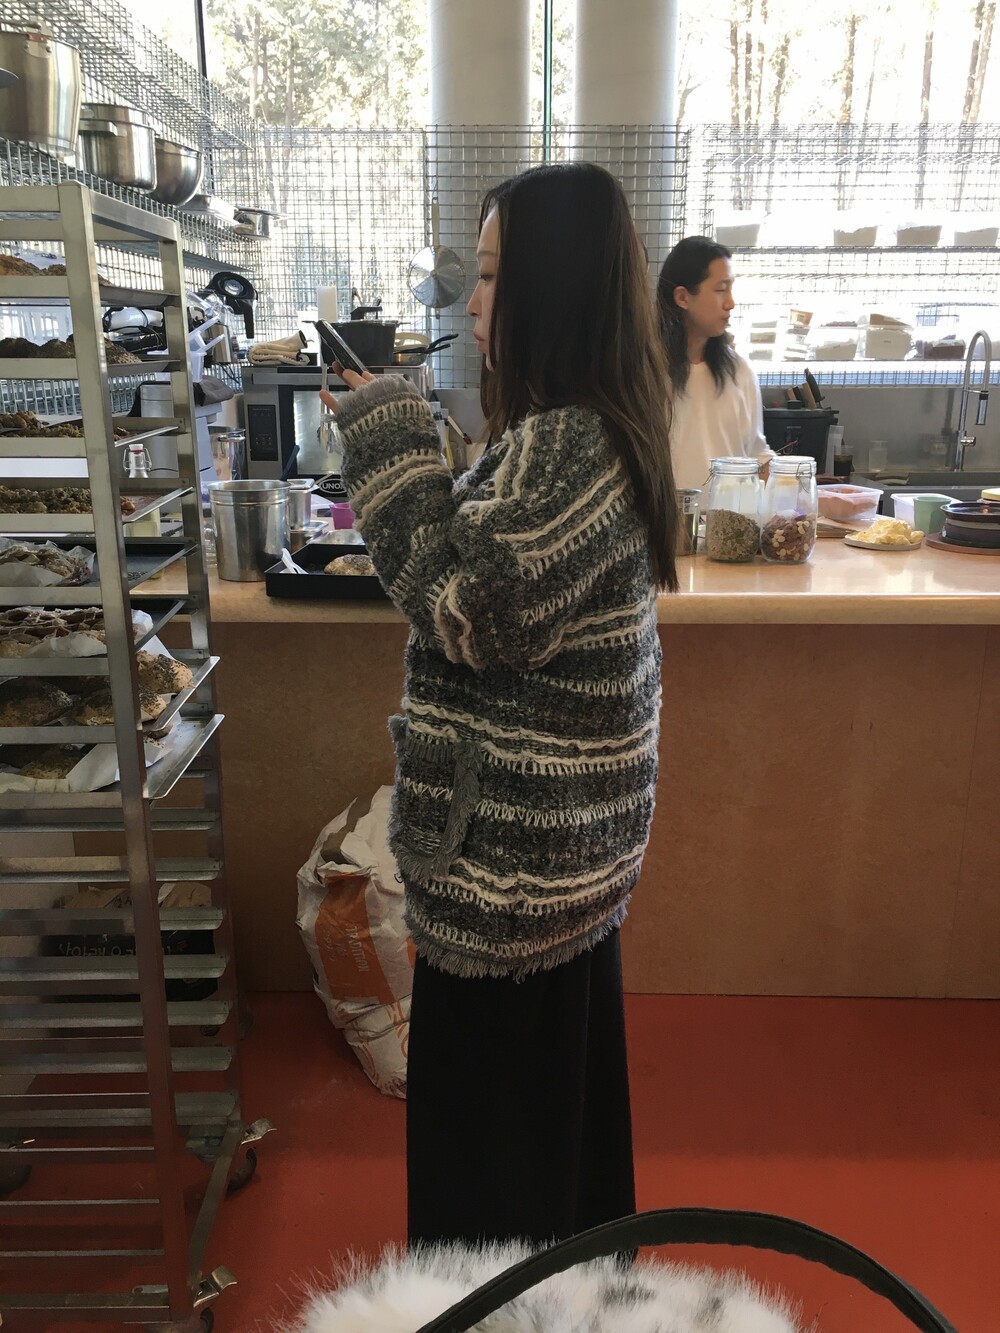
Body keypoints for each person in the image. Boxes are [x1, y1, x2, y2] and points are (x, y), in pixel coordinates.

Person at [320, 161, 677, 1250]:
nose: (471, 303)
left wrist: (387, 440)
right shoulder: (578, 429)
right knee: (555, 1151)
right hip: (547, 868)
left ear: (549, 289)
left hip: (513, 883)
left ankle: (507, 1312)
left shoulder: (568, 441)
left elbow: (469, 611)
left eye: (488, 276)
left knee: (492, 1184)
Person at [657, 235, 772, 490]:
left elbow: (757, 456)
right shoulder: (646, 372)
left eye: (731, 289)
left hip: (730, 514)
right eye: (721, 290)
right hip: (665, 513)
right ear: (682, 297)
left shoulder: (738, 371)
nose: (730, 303)